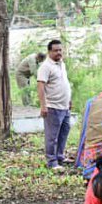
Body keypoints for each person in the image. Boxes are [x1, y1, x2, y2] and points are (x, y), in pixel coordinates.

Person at [37, 39, 72, 170]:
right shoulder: (45, 67)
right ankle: (52, 161)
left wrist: (69, 99)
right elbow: (40, 86)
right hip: (53, 106)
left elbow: (64, 83)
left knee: (64, 132)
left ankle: (60, 156)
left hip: (64, 106)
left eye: (60, 50)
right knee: (52, 136)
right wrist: (43, 105)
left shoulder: (61, 64)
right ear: (49, 51)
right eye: (55, 50)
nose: (58, 53)